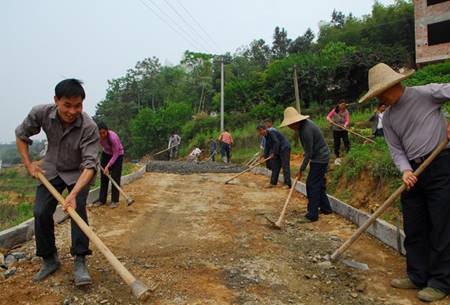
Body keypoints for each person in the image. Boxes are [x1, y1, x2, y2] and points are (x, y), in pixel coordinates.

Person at [359, 63, 450, 302]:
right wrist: (405, 170)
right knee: (414, 224)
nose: (379, 97)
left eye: (380, 93)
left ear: (393, 86)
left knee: (441, 225)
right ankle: (417, 274)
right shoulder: (388, 118)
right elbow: (396, 150)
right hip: (414, 172)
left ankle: (441, 281)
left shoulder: (426, 93)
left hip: (441, 163)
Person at [15, 79, 98, 286]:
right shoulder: (41, 113)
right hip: (51, 168)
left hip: (78, 172)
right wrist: (29, 165)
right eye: (67, 105)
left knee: (77, 210)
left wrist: (72, 195)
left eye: (77, 106)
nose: (72, 111)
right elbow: (21, 135)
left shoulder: (89, 126)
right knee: (40, 212)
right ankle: (49, 259)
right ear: (56, 101)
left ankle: (80, 261)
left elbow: (90, 166)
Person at [281, 107, 332, 222]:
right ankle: (326, 208)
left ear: (295, 122)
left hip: (320, 158)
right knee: (318, 184)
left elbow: (309, 153)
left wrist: (301, 170)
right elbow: (309, 150)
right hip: (319, 157)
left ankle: (312, 214)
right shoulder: (303, 127)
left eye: (290, 124)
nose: (289, 127)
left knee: (311, 184)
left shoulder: (305, 130)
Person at [96, 122, 124, 209]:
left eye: (103, 133)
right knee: (104, 177)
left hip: (118, 155)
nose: (102, 135)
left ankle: (114, 201)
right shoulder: (96, 136)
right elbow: (94, 146)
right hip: (106, 154)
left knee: (115, 177)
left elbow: (115, 153)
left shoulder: (113, 137)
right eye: (100, 133)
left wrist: (108, 166)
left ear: (107, 131)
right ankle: (102, 200)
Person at [256, 125, 291, 189]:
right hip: (278, 149)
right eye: (258, 131)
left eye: (260, 130)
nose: (260, 132)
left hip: (284, 148)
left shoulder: (272, 132)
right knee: (275, 166)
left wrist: (274, 153)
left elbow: (276, 142)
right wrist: (262, 156)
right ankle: (273, 183)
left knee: (285, 165)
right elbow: (267, 147)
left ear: (265, 129)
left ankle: (288, 184)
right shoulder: (266, 136)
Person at [326, 101, 350, 165]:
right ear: (339, 105)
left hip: (344, 129)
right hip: (336, 129)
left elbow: (347, 120)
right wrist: (330, 121)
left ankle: (348, 154)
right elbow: (328, 117)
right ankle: (337, 157)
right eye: (342, 105)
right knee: (337, 143)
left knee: (346, 141)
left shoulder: (346, 111)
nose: (343, 107)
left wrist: (345, 125)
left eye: (344, 105)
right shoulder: (334, 111)